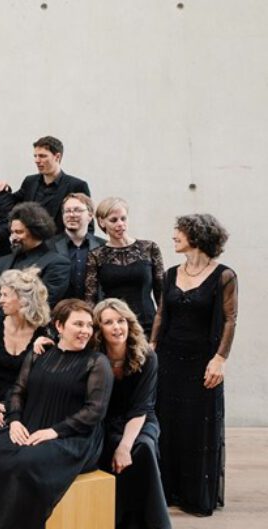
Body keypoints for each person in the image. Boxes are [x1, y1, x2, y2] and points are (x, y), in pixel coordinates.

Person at [0, 298, 113, 529]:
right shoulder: (39, 353)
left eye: (89, 325)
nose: (85, 331)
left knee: (26, 464)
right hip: (32, 426)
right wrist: (15, 422)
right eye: (78, 324)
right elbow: (17, 391)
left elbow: (95, 411)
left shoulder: (97, 362)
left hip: (75, 437)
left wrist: (54, 432)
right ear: (59, 326)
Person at [151, 213, 237, 516]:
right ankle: (170, 490)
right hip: (169, 358)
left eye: (179, 232)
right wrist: (152, 348)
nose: (174, 236)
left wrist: (220, 358)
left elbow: (229, 320)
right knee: (169, 421)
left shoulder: (225, 275)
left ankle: (195, 494)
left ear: (197, 236)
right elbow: (161, 314)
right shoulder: (171, 273)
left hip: (203, 361)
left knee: (197, 427)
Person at [94, 298, 171, 529]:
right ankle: (119, 520)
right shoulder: (92, 356)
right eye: (109, 322)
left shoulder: (147, 356)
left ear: (129, 322)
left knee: (143, 449)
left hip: (140, 419)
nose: (117, 327)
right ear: (99, 328)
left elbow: (142, 407)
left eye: (121, 320)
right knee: (112, 447)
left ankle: (154, 524)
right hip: (105, 422)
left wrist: (125, 447)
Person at [0, 269, 50, 442]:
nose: (0, 300)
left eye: (5, 295)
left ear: (23, 299)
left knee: (24, 442)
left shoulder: (44, 331)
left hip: (28, 403)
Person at [85, 197, 163, 336]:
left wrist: (161, 327)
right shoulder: (96, 255)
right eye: (114, 220)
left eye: (123, 218)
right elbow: (90, 298)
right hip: (115, 327)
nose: (120, 224)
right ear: (102, 222)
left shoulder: (149, 248)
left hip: (147, 323)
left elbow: (161, 292)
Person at [0, 202, 71, 323]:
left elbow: (43, 301)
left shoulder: (58, 263)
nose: (13, 237)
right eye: (12, 232)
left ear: (36, 232)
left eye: (19, 232)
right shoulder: (3, 261)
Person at [1, 136, 92, 233]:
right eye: (35, 156)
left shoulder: (77, 185)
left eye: (42, 156)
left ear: (57, 157)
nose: (37, 160)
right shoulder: (30, 182)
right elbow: (10, 202)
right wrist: (4, 188)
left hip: (61, 245)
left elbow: (88, 225)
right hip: (31, 245)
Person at [49, 193, 105, 300]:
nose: (71, 215)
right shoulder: (49, 246)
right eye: (67, 211)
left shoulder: (103, 246)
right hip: (60, 312)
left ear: (90, 215)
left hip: (94, 312)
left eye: (77, 210)